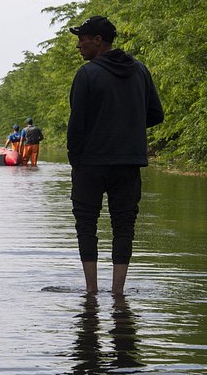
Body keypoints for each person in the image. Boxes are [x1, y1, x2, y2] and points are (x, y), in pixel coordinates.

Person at [67, 15, 164, 295]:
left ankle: (91, 291)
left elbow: (77, 125)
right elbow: (156, 114)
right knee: (123, 226)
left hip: (90, 163)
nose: (78, 46)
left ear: (98, 40)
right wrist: (126, 122)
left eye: (82, 39)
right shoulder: (141, 70)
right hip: (128, 162)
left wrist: (76, 161)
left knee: (87, 224)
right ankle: (118, 293)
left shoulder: (86, 74)